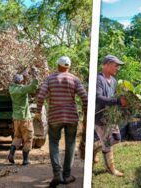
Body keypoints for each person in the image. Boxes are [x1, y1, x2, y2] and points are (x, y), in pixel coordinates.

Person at [35, 56, 88, 187]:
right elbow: (85, 97)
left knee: (53, 143)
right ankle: (67, 175)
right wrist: (86, 115)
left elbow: (41, 96)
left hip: (55, 117)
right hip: (71, 117)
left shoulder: (50, 79)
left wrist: (37, 111)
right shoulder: (74, 79)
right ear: (68, 67)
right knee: (70, 144)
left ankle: (57, 174)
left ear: (57, 65)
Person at [94, 55, 127, 177]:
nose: (117, 68)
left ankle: (94, 148)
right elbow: (98, 97)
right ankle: (111, 169)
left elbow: (113, 97)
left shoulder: (113, 81)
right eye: (116, 65)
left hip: (111, 117)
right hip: (100, 118)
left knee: (117, 138)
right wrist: (118, 101)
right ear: (107, 64)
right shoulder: (98, 79)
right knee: (107, 143)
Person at [7, 73, 38, 165]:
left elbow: (25, 86)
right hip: (25, 119)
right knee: (28, 138)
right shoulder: (22, 89)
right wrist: (35, 76)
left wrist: (24, 78)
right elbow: (33, 87)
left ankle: (11, 154)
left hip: (16, 119)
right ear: (21, 81)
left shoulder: (11, 89)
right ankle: (25, 160)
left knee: (17, 137)